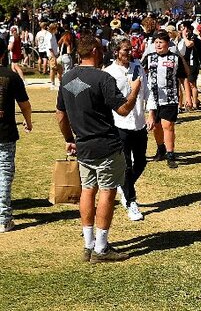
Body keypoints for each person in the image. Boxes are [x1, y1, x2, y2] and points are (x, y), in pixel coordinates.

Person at [55, 33, 142, 262]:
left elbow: (60, 115)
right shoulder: (102, 78)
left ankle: (88, 244)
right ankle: (101, 248)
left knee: (87, 190)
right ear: (94, 51)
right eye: (101, 49)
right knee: (107, 191)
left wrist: (69, 138)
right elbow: (123, 109)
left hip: (83, 145)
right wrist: (135, 88)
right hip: (106, 144)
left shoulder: (67, 78)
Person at [104, 39, 148, 222]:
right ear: (116, 52)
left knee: (141, 162)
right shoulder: (109, 73)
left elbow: (146, 92)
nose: (129, 53)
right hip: (119, 124)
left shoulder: (138, 67)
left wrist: (151, 113)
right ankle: (131, 201)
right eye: (125, 50)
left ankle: (124, 186)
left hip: (139, 122)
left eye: (130, 49)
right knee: (126, 165)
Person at [143, 30, 191, 168]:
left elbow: (183, 78)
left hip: (170, 98)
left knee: (167, 125)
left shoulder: (175, 59)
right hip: (153, 98)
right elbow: (140, 74)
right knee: (156, 127)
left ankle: (171, 154)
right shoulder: (149, 58)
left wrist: (188, 96)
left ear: (168, 43)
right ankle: (161, 148)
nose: (158, 45)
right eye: (156, 42)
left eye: (161, 42)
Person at [0, 38, 33, 232]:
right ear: (3, 54)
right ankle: (4, 218)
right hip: (5, 133)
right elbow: (25, 105)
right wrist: (28, 122)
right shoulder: (11, 77)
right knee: (4, 174)